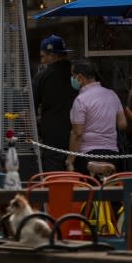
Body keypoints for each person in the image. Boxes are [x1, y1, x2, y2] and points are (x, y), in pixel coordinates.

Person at [67, 59, 127, 176]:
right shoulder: (112, 94)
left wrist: (70, 161)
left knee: (87, 191)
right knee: (110, 192)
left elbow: (77, 133)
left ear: (80, 77)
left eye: (72, 75)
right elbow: (122, 124)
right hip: (112, 155)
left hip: (88, 155)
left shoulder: (80, 100)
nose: (72, 79)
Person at [31, 34, 78, 172]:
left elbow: (29, 109)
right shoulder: (80, 73)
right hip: (80, 138)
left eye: (43, 56)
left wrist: (35, 136)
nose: (42, 60)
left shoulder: (42, 77)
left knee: (55, 181)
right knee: (82, 184)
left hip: (53, 140)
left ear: (53, 56)